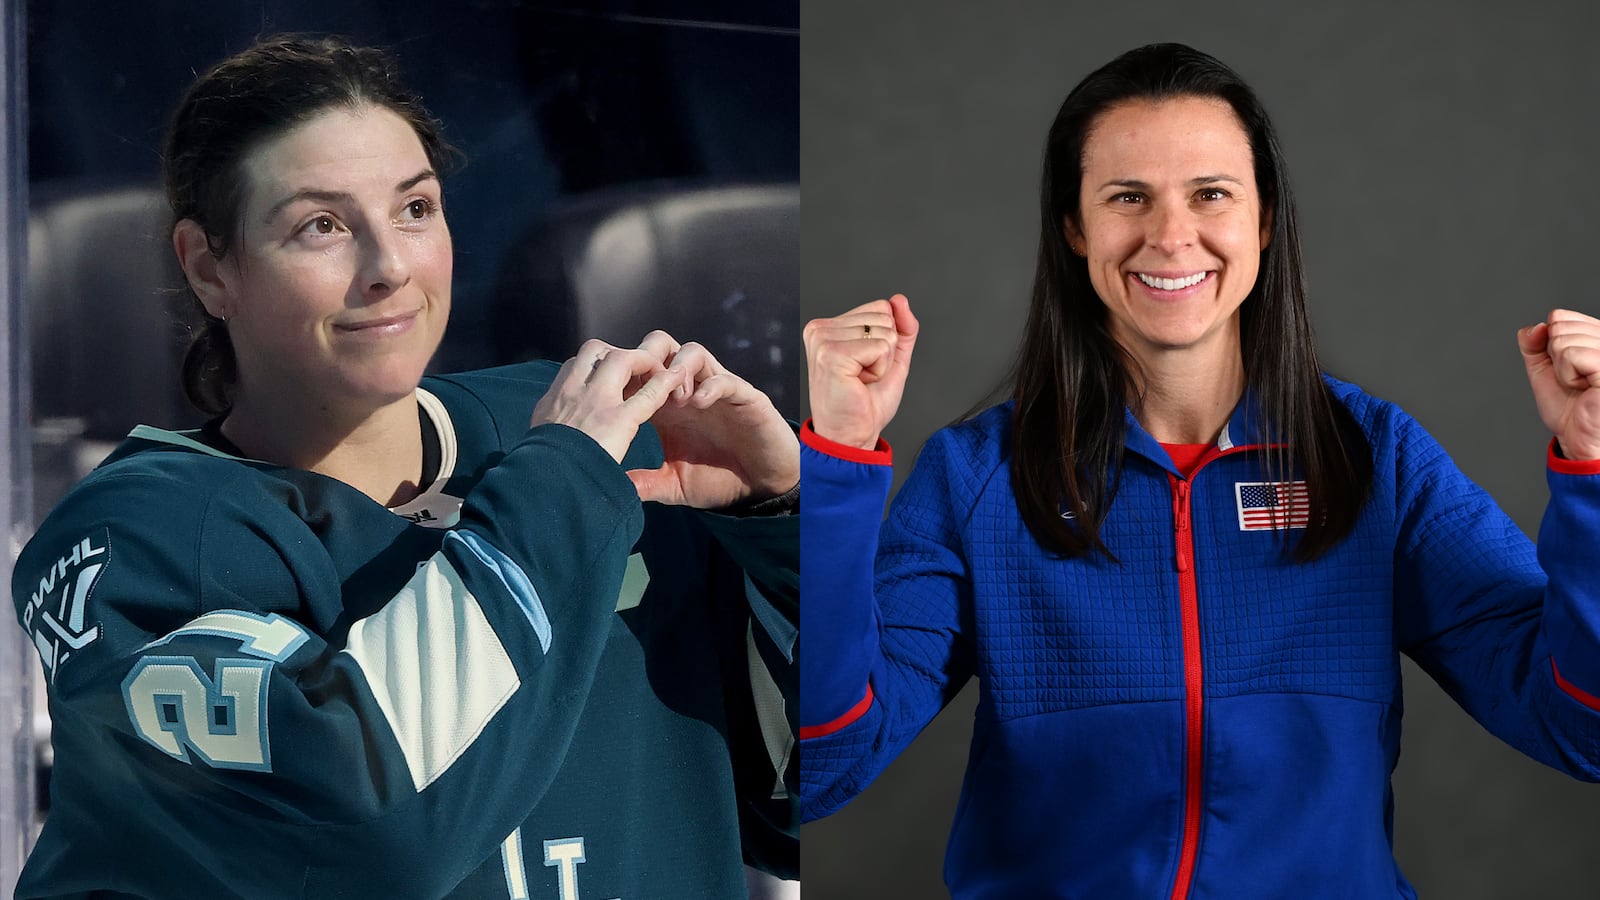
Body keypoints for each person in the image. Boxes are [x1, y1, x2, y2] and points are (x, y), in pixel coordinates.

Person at [798, 42, 1600, 899]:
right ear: (1074, 227)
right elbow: (823, 760)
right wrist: (838, 468)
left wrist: (1592, 469)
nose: (1171, 236)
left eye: (1211, 193)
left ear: (1262, 221)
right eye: (1127, 197)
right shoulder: (978, 477)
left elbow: (1580, 728)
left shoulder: (1374, 461)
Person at [12, 35, 798, 899]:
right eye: (322, 226)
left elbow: (802, 810)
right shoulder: (132, 540)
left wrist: (782, 520)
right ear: (209, 267)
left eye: (416, 210)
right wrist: (564, 482)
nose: (389, 269)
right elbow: (377, 843)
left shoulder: (602, 437)